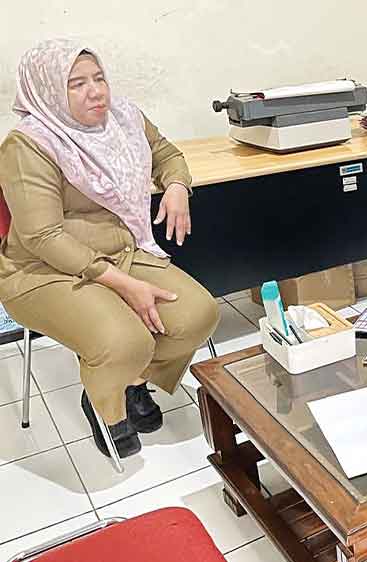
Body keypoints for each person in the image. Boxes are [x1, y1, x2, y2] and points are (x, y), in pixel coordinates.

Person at [0, 40, 219, 458]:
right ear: (47, 91)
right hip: (41, 270)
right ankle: (107, 407)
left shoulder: (123, 118)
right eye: (77, 84)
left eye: (99, 78)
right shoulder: (29, 145)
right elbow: (42, 237)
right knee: (125, 341)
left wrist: (177, 185)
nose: (96, 92)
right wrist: (124, 284)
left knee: (199, 315)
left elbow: (166, 153)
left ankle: (131, 382)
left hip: (122, 249)